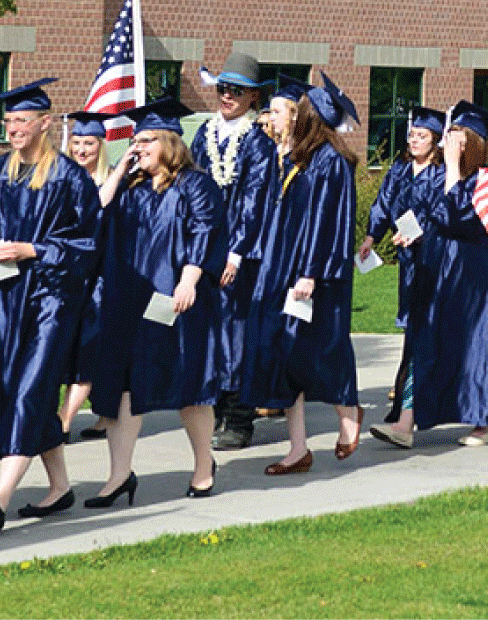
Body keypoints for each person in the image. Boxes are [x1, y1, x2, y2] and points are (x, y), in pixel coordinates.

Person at [0, 79, 100, 531]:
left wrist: (33, 250)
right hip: (5, 298)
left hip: (51, 299)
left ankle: (1, 496)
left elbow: (86, 246)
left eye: (22, 120)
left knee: (30, 387)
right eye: (8, 121)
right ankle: (60, 487)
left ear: (46, 123)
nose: (13, 129)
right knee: (19, 389)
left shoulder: (70, 178)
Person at [87, 99, 227, 506]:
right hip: (128, 299)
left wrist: (190, 278)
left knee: (188, 385)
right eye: (134, 140)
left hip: (173, 297)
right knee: (122, 387)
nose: (138, 146)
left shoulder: (195, 184)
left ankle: (204, 466)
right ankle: (118, 476)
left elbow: (206, 230)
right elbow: (94, 214)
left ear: (169, 142)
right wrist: (117, 171)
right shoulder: (128, 188)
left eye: (146, 140)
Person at [371, 100, 488, 448]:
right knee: (426, 344)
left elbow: (458, 217)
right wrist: (411, 234)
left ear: (470, 146)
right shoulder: (444, 178)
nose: (446, 146)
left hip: (476, 284)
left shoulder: (485, 181)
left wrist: (450, 170)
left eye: (454, 140)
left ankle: (485, 421)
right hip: (440, 276)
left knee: (476, 352)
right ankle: (405, 424)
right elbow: (432, 219)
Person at [245, 72, 363, 473]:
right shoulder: (299, 158)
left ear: (306, 116)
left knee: (318, 348)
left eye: (285, 112)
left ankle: (349, 412)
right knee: (283, 354)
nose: (278, 118)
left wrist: (309, 273)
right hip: (283, 266)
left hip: (313, 273)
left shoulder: (331, 162)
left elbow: (323, 223)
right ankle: (297, 449)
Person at [190, 52, 278, 452]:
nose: (227, 96)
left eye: (236, 90)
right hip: (205, 245)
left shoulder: (257, 143)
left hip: (237, 252)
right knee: (209, 329)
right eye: (223, 88)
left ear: (252, 98)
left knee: (236, 332)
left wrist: (236, 253)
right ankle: (214, 409)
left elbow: (254, 201)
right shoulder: (203, 135)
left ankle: (239, 418)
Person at [359, 105, 446, 424]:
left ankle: (408, 404)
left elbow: (442, 213)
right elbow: (384, 202)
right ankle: (404, 403)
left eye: (421, 136)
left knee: (425, 330)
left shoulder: (441, 173)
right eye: (411, 135)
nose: (414, 141)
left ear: (435, 140)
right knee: (413, 330)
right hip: (410, 262)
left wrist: (420, 233)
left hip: (435, 260)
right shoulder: (399, 169)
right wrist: (371, 236)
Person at [57, 110, 115, 443]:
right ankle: (106, 415)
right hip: (68, 277)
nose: (81, 149)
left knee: (89, 349)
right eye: (76, 142)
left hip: (101, 278)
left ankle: (64, 420)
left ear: (101, 146)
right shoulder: (62, 179)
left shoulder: (112, 182)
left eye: (89, 143)